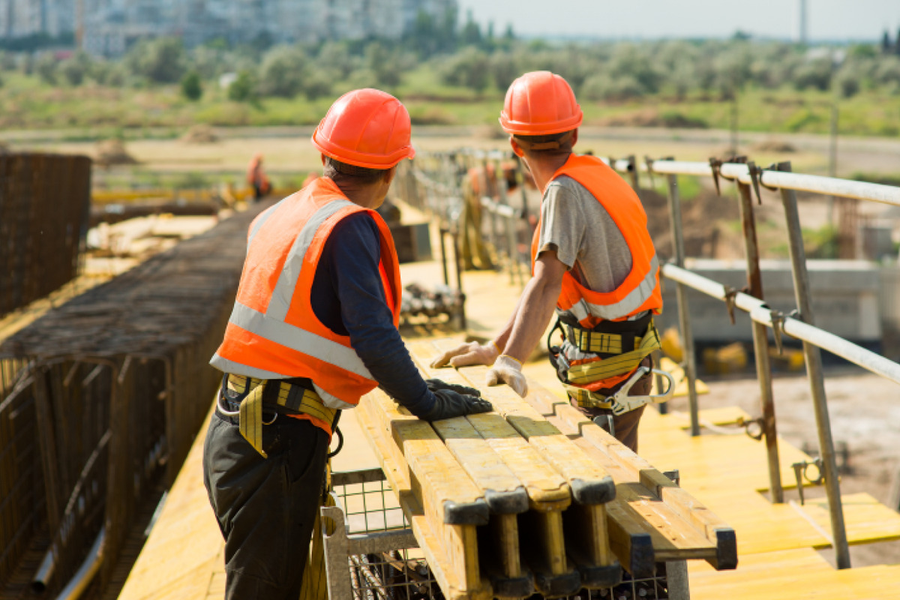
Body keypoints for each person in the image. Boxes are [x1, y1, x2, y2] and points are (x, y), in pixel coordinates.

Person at [203, 88, 492, 599]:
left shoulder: (283, 212)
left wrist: (419, 385)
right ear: (390, 172)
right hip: (275, 442)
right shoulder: (346, 225)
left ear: (325, 155)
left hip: (238, 429)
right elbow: (375, 337)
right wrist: (425, 401)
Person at [431, 71, 663, 453]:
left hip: (609, 370)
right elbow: (540, 283)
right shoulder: (596, 174)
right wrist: (496, 348)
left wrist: (511, 361)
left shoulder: (563, 191)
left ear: (514, 145)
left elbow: (546, 283)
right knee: (618, 474)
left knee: (608, 484)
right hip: (624, 362)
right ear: (573, 135)